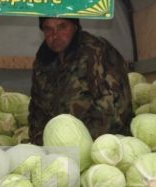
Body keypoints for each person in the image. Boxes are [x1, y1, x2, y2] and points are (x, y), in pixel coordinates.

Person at [28, 16, 134, 144]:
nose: (55, 35)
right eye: (48, 29)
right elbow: (37, 110)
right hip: (60, 147)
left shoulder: (96, 51)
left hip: (105, 145)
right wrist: (42, 143)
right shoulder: (43, 60)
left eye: (62, 27)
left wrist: (82, 144)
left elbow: (114, 108)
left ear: (75, 26)